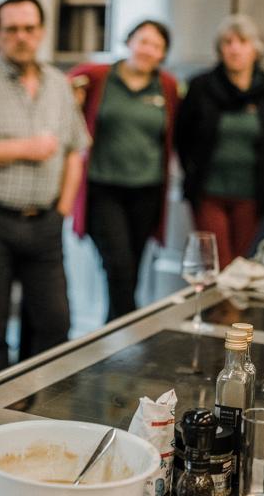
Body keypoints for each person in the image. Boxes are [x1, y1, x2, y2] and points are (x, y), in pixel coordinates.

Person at [0, 0, 89, 377]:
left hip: (44, 221)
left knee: (54, 322)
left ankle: (38, 401)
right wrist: (25, 148)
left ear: (41, 32)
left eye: (29, 28)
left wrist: (62, 209)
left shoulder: (59, 83)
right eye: (11, 29)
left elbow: (76, 149)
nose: (21, 37)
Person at [68, 20, 180, 321]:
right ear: (128, 42)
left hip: (147, 191)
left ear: (163, 54)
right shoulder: (99, 76)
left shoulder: (167, 86)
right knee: (117, 265)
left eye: (156, 46)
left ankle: (115, 336)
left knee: (131, 270)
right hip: (103, 188)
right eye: (143, 41)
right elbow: (65, 89)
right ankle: (128, 333)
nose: (147, 50)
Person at [175, 14, 264, 267]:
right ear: (220, 49)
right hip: (208, 192)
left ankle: (227, 309)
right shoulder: (200, 86)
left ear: (255, 49)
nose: (234, 48)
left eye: (242, 42)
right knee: (219, 265)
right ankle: (219, 308)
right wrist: (191, 170)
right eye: (228, 42)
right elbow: (182, 138)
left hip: (251, 194)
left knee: (238, 266)